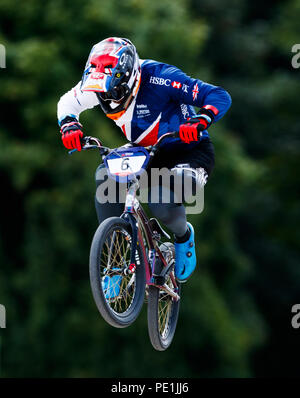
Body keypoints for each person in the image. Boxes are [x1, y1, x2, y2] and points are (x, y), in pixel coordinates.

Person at [57, 37, 231, 284]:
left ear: (130, 78)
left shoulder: (162, 77)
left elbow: (218, 95)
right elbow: (68, 102)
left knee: (160, 201)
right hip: (147, 151)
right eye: (101, 95)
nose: (109, 99)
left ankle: (183, 237)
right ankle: (116, 259)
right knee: (106, 177)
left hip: (188, 150)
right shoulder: (101, 79)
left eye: (115, 92)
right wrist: (69, 125)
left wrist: (201, 119)